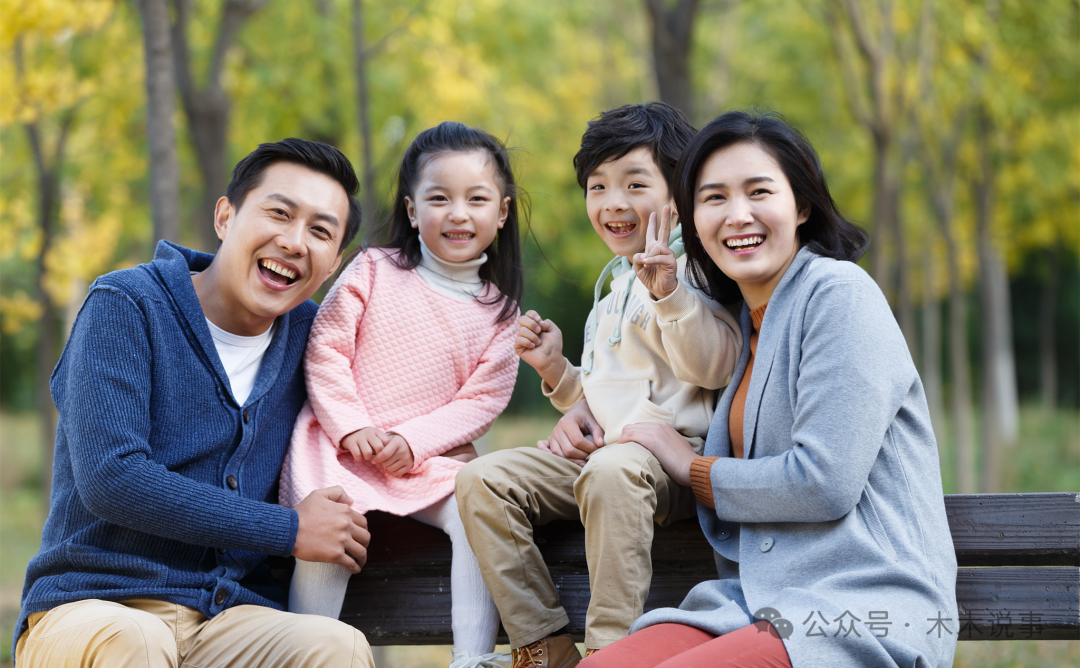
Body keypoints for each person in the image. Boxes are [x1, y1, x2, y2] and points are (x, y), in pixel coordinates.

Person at [581, 110, 958, 668]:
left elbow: (824, 482)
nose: (737, 215)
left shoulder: (839, 295)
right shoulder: (737, 325)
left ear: (801, 205)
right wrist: (578, 408)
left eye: (758, 191)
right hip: (750, 603)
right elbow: (639, 378)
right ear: (691, 220)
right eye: (714, 198)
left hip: (861, 603)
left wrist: (692, 468)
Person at [15, 139, 375, 668]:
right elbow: (112, 478)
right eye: (279, 213)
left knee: (336, 647)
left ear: (333, 263)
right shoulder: (127, 304)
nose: (294, 242)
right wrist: (289, 530)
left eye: (320, 231)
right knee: (137, 639)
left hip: (229, 623)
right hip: (94, 607)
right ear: (225, 216)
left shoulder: (315, 339)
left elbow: (395, 406)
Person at [456, 102, 742, 668]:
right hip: (607, 461)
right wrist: (556, 372)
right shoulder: (612, 288)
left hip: (673, 464)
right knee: (481, 479)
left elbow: (714, 367)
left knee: (612, 469)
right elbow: (602, 400)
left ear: (679, 194)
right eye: (598, 187)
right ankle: (544, 647)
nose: (613, 202)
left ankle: (611, 653)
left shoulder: (696, 269)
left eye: (634, 184)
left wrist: (669, 294)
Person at [279, 122, 522, 668]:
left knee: (477, 512)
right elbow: (327, 349)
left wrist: (411, 442)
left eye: (476, 199)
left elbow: (480, 401)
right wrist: (352, 426)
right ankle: (306, 653)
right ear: (412, 210)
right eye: (439, 199)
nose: (458, 214)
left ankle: (472, 658)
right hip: (342, 449)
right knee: (332, 527)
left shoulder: (500, 314)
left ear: (502, 212)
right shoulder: (374, 269)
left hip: (423, 459)